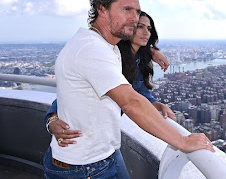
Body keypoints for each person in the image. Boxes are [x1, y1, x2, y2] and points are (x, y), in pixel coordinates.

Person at [43, 0, 214, 179]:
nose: (134, 18)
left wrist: (151, 51)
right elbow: (131, 102)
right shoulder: (92, 50)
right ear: (102, 9)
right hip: (84, 170)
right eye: (126, 10)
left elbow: (88, 88)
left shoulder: (106, 46)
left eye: (137, 11)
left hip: (101, 157)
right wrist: (182, 141)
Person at [45, 11, 175, 147]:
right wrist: (52, 119)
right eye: (140, 26)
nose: (146, 32)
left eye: (149, 29)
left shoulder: (137, 61)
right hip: (80, 139)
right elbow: (70, 92)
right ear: (129, 28)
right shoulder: (109, 58)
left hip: (104, 139)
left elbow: (142, 94)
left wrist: (160, 106)